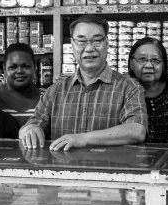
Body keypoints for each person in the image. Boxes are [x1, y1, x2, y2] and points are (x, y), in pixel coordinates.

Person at [19, 15, 147, 151]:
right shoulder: (55, 90)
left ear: (107, 43)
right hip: (62, 170)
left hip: (109, 169)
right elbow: (33, 124)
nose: (90, 48)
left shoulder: (129, 87)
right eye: (81, 41)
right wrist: (29, 130)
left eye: (97, 40)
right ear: (72, 45)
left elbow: (136, 130)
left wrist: (84, 138)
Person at [0, 42, 41, 125]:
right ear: (4, 68)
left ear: (35, 68)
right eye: (13, 67)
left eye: (26, 66)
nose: (19, 71)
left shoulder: (48, 99)